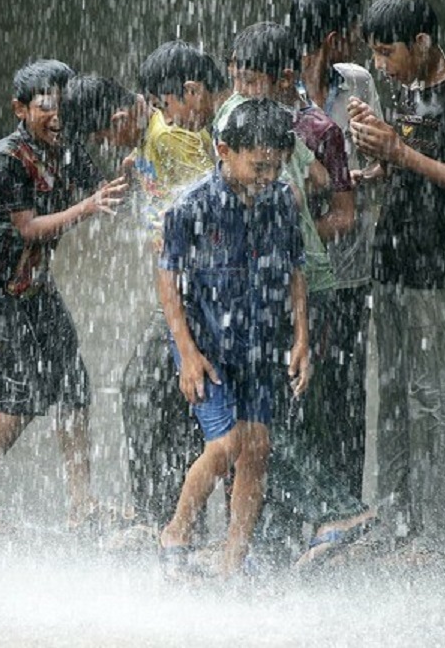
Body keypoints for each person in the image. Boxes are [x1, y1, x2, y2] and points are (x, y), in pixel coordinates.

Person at [0, 59, 127, 529]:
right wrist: (88, 206)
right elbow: (27, 229)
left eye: (64, 104)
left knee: (73, 386)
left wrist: (124, 175)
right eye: (46, 106)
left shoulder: (68, 147)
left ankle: (82, 506)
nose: (59, 115)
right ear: (20, 109)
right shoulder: (6, 158)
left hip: (36, 284)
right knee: (21, 393)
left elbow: (100, 190)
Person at [219, 21, 374, 567]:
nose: (242, 88)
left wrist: (295, 224)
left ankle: (330, 511)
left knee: (274, 420)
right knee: (262, 422)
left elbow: (330, 198)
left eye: (252, 79)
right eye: (236, 76)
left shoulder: (307, 129)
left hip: (301, 284)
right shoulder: (238, 116)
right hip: (255, 290)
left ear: (284, 76)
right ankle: (279, 543)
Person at [347, 0, 445, 556]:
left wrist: (401, 154)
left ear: (422, 43)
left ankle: (439, 530)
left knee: (435, 396)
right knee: (393, 390)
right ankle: (394, 519)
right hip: (390, 259)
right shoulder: (407, 89)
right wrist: (378, 167)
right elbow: (409, 166)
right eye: (376, 56)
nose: (382, 66)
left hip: (433, 267)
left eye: (389, 54)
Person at [157, 98, 309, 579]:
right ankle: (175, 533)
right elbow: (167, 278)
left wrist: (301, 338)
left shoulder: (281, 199)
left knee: (258, 449)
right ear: (224, 149)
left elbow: (295, 271)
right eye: (258, 165)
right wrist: (187, 354)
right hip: (208, 351)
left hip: (261, 346)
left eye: (275, 166)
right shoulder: (191, 207)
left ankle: (231, 565)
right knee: (224, 446)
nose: (267, 175)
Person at [116, 41, 226, 531]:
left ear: (189, 92)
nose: (169, 117)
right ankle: (178, 523)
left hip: (201, 293)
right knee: (182, 401)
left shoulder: (183, 136)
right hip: (195, 288)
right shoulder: (187, 131)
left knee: (151, 389)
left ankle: (170, 522)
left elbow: (185, 230)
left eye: (167, 106)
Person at [290, 0, 382, 510]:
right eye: (352, 33)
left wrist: (368, 168)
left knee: (346, 392)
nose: (360, 42)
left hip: (348, 270)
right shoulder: (279, 87)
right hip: (292, 273)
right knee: (299, 391)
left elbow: (375, 156)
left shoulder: (357, 85)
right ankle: (303, 509)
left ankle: (346, 506)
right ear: (332, 38)